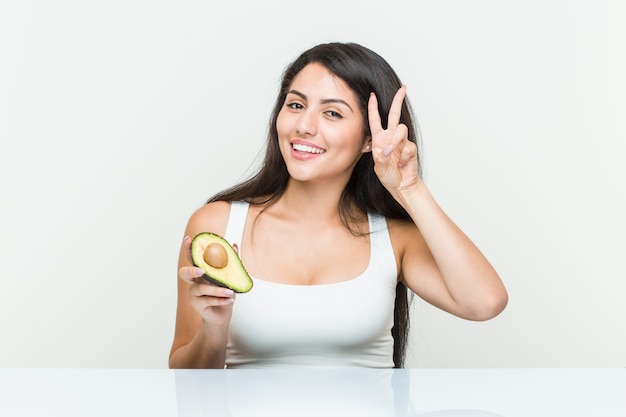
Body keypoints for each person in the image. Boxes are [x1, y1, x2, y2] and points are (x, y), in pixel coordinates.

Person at [169, 42, 508, 369]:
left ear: (369, 140)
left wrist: (411, 189)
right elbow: (187, 379)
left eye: (332, 113)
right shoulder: (216, 225)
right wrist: (214, 330)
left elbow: (484, 302)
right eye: (296, 105)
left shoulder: (394, 239)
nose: (304, 126)